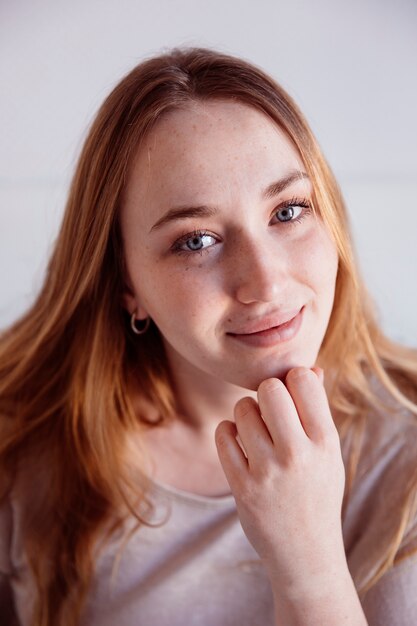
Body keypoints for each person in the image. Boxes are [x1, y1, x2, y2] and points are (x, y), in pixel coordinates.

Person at [1, 46, 417, 626]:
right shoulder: (22, 451)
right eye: (196, 241)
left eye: (288, 211)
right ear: (126, 283)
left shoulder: (408, 453)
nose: (266, 282)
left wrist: (310, 566)